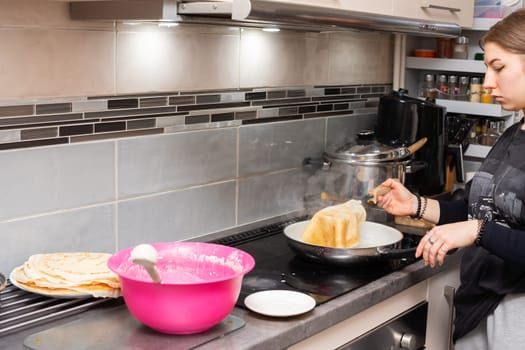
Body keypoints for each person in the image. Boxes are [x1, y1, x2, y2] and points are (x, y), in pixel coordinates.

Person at [377, 8, 525, 349]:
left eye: (498, 67)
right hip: (482, 304)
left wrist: (478, 232)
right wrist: (415, 205)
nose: (488, 83)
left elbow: (480, 225)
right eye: (487, 68)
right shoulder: (513, 134)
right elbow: (479, 208)